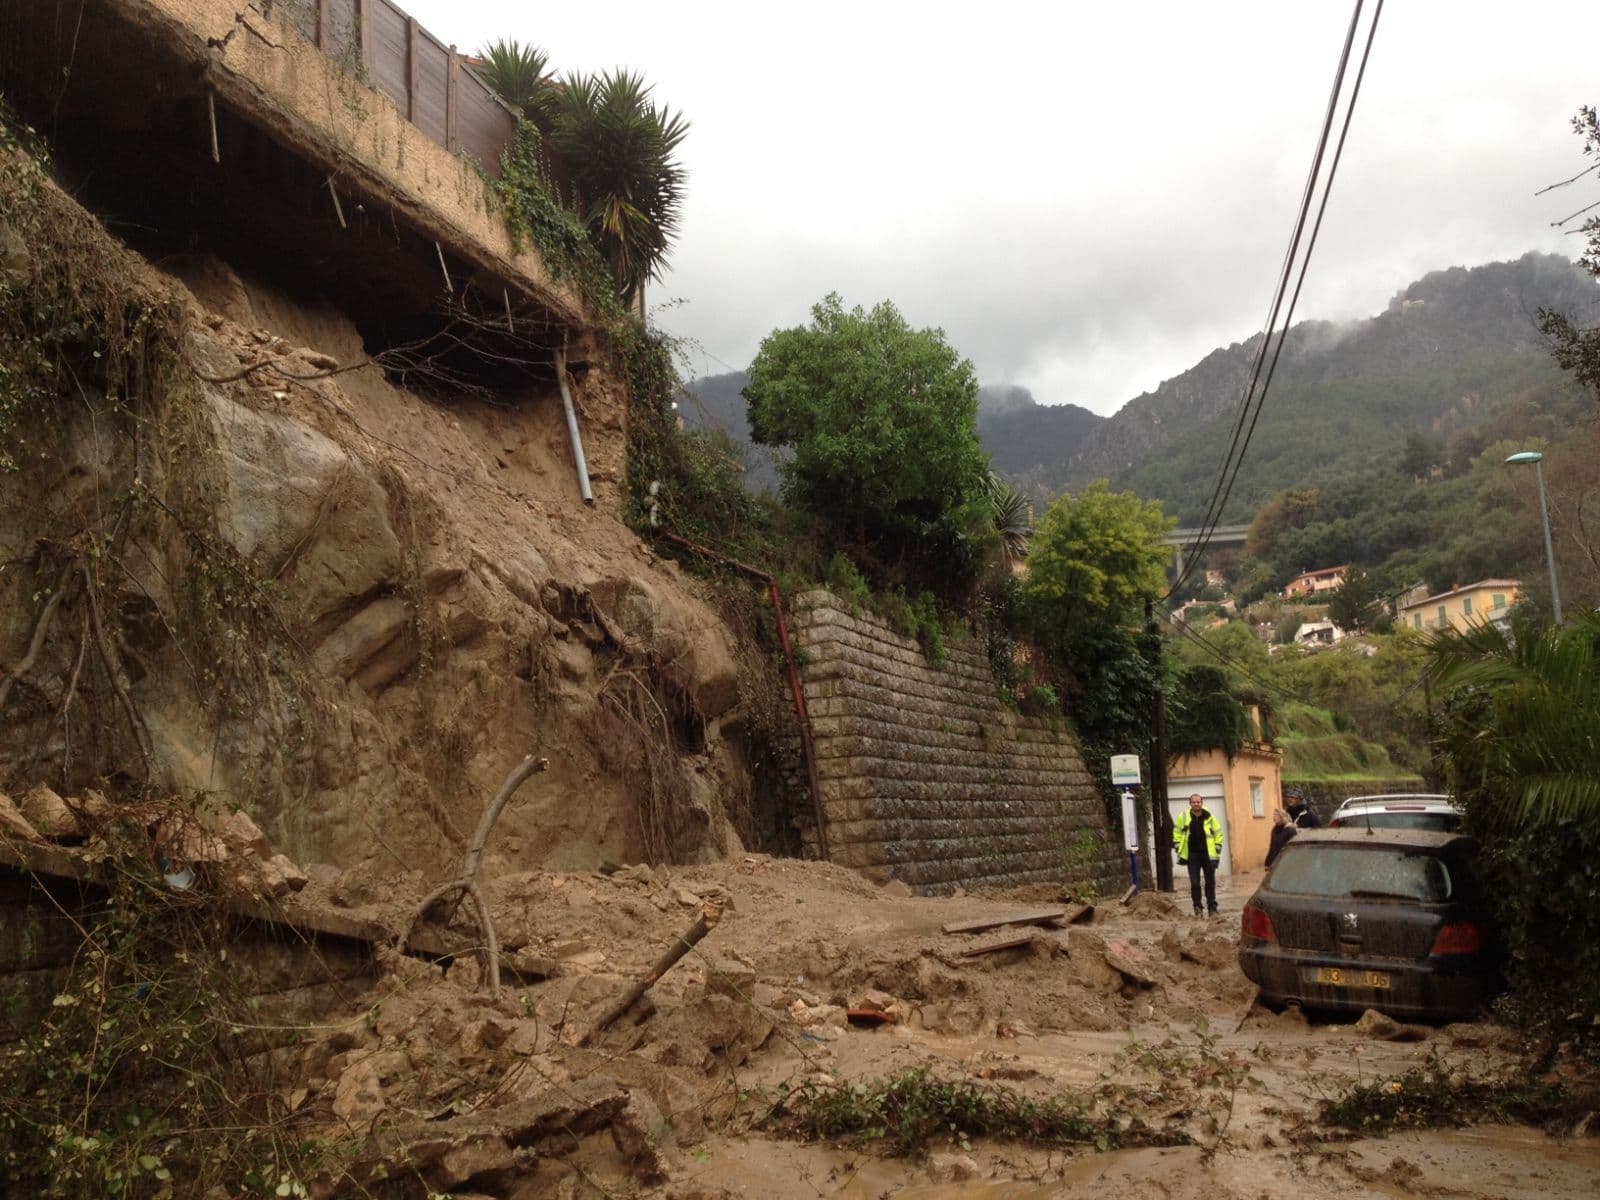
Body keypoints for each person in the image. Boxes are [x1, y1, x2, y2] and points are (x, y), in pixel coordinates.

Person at [1173, 793, 1223, 918]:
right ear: (1190, 803)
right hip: (1192, 855)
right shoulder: (1183, 816)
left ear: (1202, 802)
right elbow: (1177, 831)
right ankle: (1198, 908)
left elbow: (1218, 832)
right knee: (1195, 883)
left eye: (1198, 802)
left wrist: (1218, 846)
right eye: (1193, 802)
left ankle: (1212, 908)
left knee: (1210, 882)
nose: (1196, 804)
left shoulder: (1209, 816)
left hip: (1208, 854)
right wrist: (1177, 844)